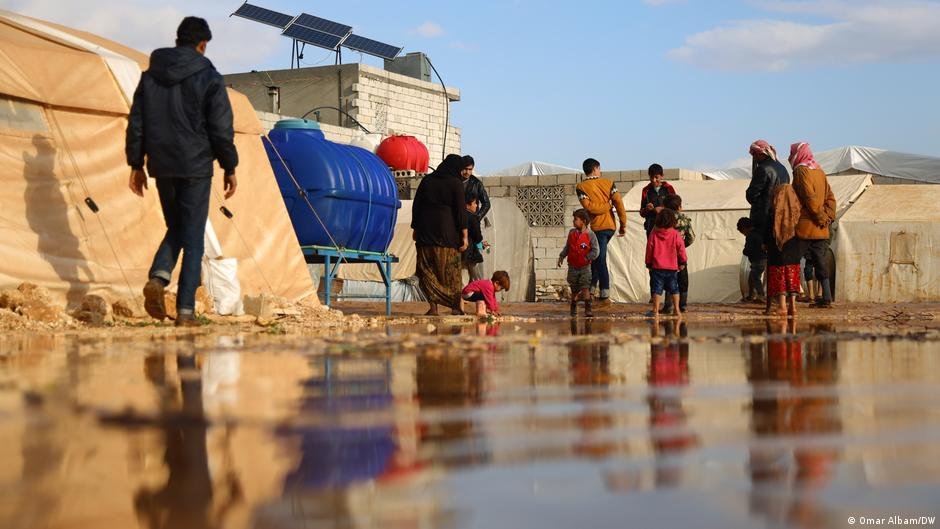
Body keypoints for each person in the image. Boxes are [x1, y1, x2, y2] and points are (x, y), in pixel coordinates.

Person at [127, 16, 238, 327]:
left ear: (178, 40)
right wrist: (229, 165)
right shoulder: (209, 77)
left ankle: (159, 278)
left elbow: (137, 122)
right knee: (193, 237)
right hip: (196, 165)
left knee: (177, 225)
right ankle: (186, 309)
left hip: (161, 165)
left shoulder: (150, 76)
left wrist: (136, 164)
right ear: (202, 45)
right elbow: (220, 127)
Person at [411, 154, 469, 316]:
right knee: (451, 273)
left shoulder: (427, 181)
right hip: (447, 235)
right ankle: (455, 307)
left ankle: (434, 308)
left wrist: (415, 228)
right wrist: (464, 236)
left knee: (427, 272)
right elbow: (460, 212)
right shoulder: (455, 183)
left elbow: (417, 206)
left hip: (425, 234)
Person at [790, 142, 836, 309]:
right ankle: (826, 298)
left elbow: (809, 198)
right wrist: (828, 217)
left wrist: (820, 216)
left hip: (806, 226)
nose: (790, 156)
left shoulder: (801, 171)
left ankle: (790, 299)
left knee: (793, 260)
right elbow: (830, 197)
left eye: (792, 153)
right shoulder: (819, 171)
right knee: (821, 263)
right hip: (821, 228)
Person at [576, 158, 627, 305]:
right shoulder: (609, 183)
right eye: (599, 168)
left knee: (600, 260)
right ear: (596, 168)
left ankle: (604, 293)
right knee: (597, 259)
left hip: (598, 228)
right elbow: (618, 203)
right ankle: (591, 291)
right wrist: (623, 223)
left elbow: (590, 208)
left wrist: (605, 206)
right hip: (610, 226)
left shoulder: (581, 187)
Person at [765, 184, 803, 318]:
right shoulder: (799, 211)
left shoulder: (773, 213)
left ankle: (782, 306)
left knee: (779, 274)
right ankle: (793, 306)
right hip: (794, 249)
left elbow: (768, 233)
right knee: (792, 275)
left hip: (778, 250)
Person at [557, 208, 600, 317]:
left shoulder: (591, 235)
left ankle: (588, 309)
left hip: (585, 268)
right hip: (572, 267)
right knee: (574, 289)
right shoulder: (572, 233)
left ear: (583, 221)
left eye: (576, 219)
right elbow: (568, 247)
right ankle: (573, 307)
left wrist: (587, 257)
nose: (573, 221)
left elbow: (596, 250)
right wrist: (562, 256)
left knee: (585, 288)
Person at [645, 209, 687, 318]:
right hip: (672, 267)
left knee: (656, 289)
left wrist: (648, 263)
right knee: (674, 288)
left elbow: (649, 248)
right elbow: (681, 248)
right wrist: (683, 261)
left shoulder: (653, 233)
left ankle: (655, 310)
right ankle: (677, 310)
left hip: (657, 267)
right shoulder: (675, 234)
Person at [746, 140, 790, 236]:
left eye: (754, 154)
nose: (753, 157)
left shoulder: (762, 169)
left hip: (765, 219)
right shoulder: (783, 168)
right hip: (781, 216)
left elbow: (752, 195)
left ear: (760, 153)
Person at [661, 195, 694, 313]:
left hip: (666, 255)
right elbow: (691, 237)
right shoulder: (684, 219)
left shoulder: (663, 219)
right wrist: (682, 247)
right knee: (683, 279)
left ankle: (668, 306)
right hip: (680, 255)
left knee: (669, 279)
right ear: (679, 206)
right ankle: (683, 306)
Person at [639, 163, 677, 237]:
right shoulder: (646, 190)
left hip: (667, 228)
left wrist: (663, 209)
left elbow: (676, 207)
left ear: (662, 176)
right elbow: (642, 212)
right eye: (651, 177)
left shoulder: (669, 189)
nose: (653, 180)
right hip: (651, 229)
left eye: (656, 177)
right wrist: (647, 209)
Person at [737, 217, 767, 303]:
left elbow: (748, 249)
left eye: (742, 232)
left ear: (745, 228)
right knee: (751, 278)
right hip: (761, 259)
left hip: (758, 260)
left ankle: (761, 295)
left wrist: (745, 251)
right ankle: (751, 295)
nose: (743, 234)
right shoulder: (758, 233)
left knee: (755, 278)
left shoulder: (750, 236)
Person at [462, 194, 488, 281]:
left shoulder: (459, 216)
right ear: (467, 205)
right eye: (474, 203)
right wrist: (481, 243)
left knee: (465, 279)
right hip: (472, 253)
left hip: (462, 253)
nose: (476, 205)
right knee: (478, 280)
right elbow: (477, 237)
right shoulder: (473, 218)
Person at [460, 155, 490, 222]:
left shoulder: (476, 183)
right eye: (465, 169)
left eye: (470, 169)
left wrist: (477, 218)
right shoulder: (455, 182)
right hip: (457, 221)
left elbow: (486, 203)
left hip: (472, 221)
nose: (467, 172)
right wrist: (467, 207)